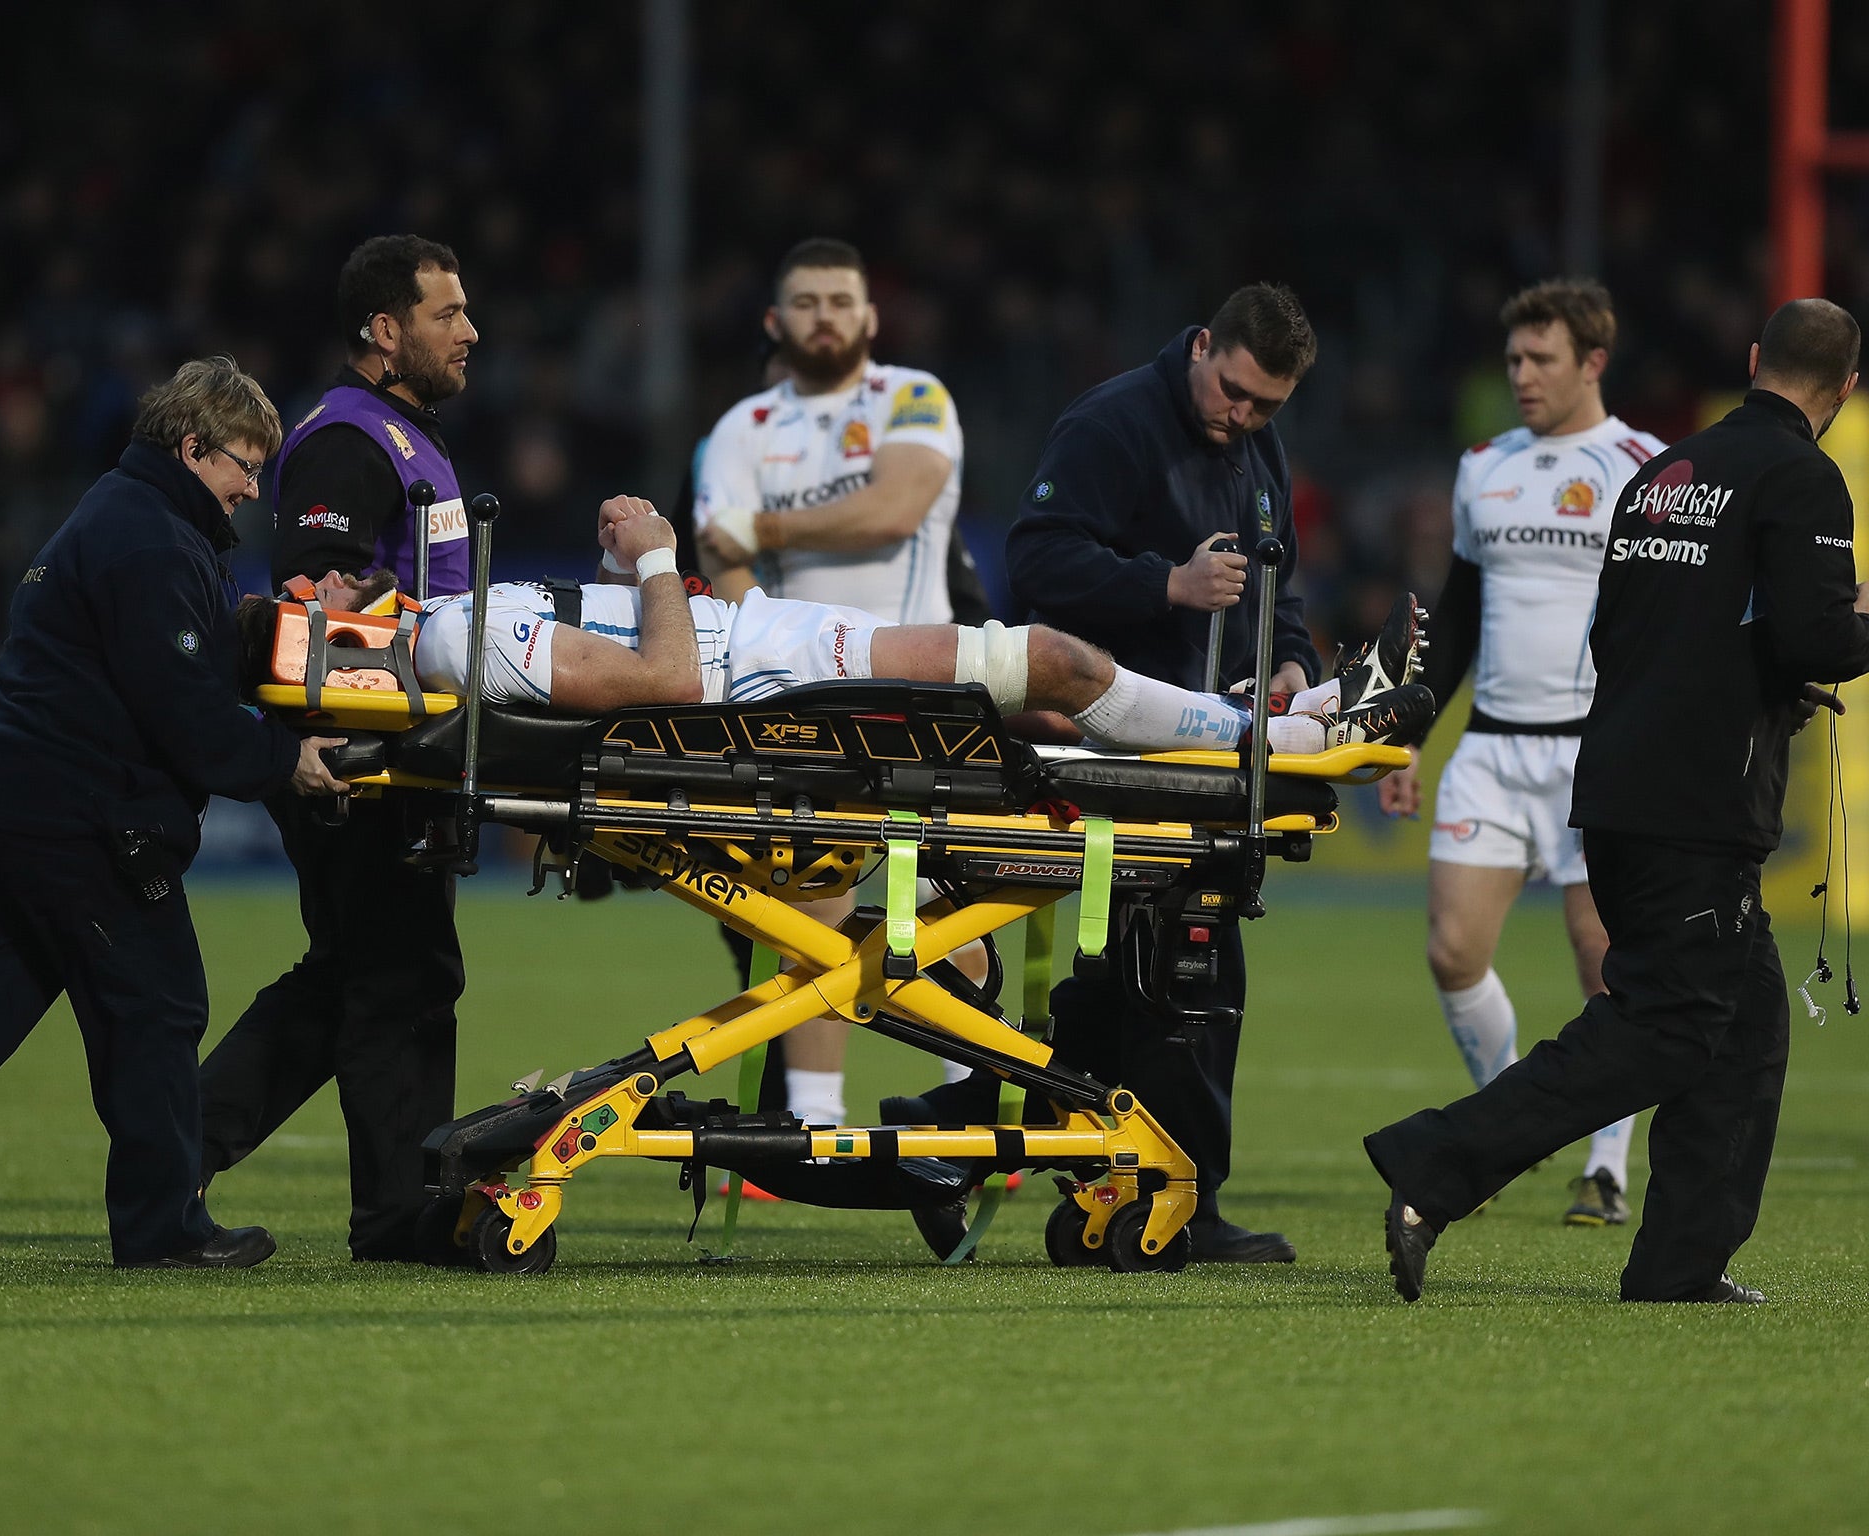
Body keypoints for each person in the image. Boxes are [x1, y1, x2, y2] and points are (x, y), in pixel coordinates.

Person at [1367, 298, 1869, 1306]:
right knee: (1663, 1026)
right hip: (1696, 801)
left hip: (1615, 780)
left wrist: (1754, 670)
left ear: (1752, 358)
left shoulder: (1660, 475)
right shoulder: (1800, 479)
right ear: (1843, 388)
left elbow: (1629, 632)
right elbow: (1820, 637)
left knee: (1744, 1028)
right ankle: (1436, 1161)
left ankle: (1678, 1264)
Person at [0, 357, 347, 1271]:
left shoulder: (129, 515)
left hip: (10, 799)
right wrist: (283, 760)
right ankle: (163, 1231)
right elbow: (183, 713)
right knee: (157, 1001)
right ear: (192, 448)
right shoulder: (149, 539)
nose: (252, 489)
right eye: (243, 466)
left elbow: (168, 658)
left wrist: (259, 629)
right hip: (77, 816)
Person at [988, 283, 1326, 1263]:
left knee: (1150, 970)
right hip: (1111, 745)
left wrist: (1291, 658)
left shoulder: (1253, 441)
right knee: (1179, 967)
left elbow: (1277, 578)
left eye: (1266, 406)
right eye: (1232, 394)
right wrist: (1161, 585)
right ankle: (1173, 1198)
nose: (1243, 418)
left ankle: (1112, 1178)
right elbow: (1035, 560)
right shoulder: (1111, 422)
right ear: (1199, 349)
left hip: (1205, 751)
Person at [268, 498, 1433, 757]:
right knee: (1051, 661)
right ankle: (1291, 743)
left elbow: (617, 652)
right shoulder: (447, 640)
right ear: (321, 642)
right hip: (754, 674)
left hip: (759, 642)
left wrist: (622, 580)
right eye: (304, 599)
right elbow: (668, 683)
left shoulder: (445, 626)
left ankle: (1281, 718)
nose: (322, 582)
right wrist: (661, 551)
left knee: (1032, 700)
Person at [197, 235, 480, 1263]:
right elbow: (314, 605)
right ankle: (398, 1219)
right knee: (400, 975)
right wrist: (330, 753)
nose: (469, 332)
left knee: (358, 974)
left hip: (398, 750)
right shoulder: (347, 441)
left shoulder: (403, 436)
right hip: (362, 758)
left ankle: (178, 1145)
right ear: (383, 329)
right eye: (446, 314)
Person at [1376, 279, 1666, 1226]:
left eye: (1542, 359)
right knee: (1453, 950)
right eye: (1513, 360)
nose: (1523, 377)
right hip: (1494, 751)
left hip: (1599, 754)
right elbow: (1457, 616)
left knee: (1606, 965)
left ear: (1593, 362)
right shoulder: (1483, 467)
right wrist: (1410, 735)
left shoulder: (1646, 468)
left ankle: (1609, 1167)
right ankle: (1506, 1127)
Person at [689, 238, 969, 1132]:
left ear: (869, 318)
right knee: (816, 900)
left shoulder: (913, 397)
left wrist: (765, 525)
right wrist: (768, 664)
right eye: (805, 302)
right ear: (776, 321)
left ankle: (969, 1108)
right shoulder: (739, 431)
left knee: (952, 901)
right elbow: (715, 566)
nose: (824, 317)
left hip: (923, 694)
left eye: (841, 301)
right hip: (799, 702)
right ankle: (812, 1124)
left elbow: (894, 508)